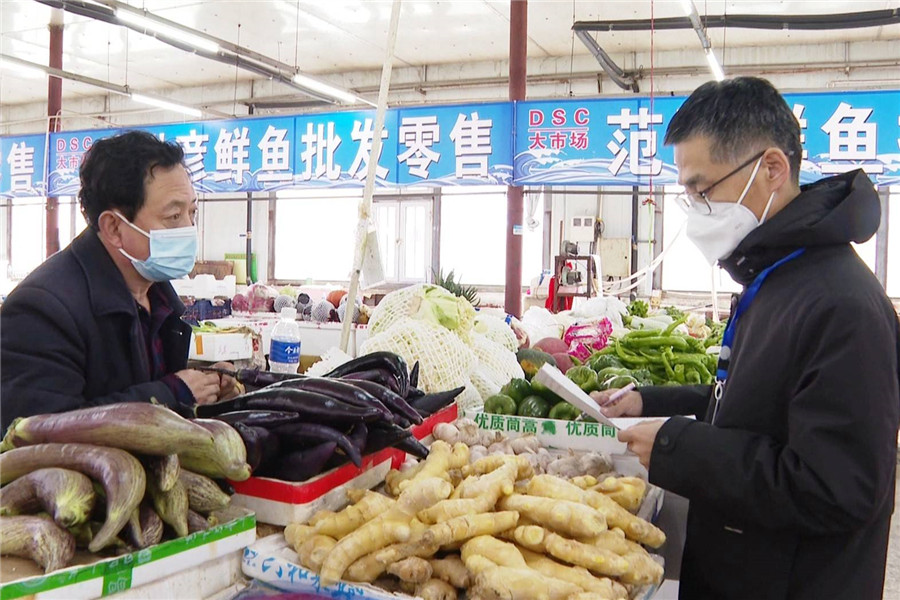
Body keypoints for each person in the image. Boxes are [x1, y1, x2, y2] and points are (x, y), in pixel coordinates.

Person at [593, 77, 900, 599]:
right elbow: (753, 402)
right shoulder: (779, 277)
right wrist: (650, 401)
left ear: (772, 169)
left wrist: (676, 446)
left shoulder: (843, 306)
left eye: (702, 188)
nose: (693, 208)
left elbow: (836, 488)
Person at [1, 131, 236, 431]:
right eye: (173, 216)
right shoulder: (42, 310)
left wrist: (204, 385)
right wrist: (171, 394)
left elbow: (141, 384)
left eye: (192, 212)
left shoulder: (159, 296)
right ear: (113, 227)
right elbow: (37, 431)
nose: (189, 229)